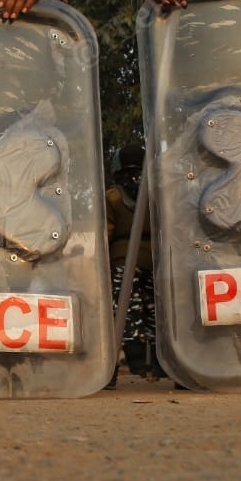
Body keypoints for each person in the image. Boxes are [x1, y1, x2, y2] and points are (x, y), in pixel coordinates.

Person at [106, 144, 161, 383]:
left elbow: (105, 233)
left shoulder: (113, 196)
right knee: (154, 312)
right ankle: (158, 363)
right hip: (154, 261)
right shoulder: (156, 195)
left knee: (126, 311)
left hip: (122, 261)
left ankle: (132, 358)